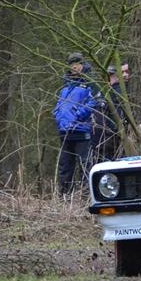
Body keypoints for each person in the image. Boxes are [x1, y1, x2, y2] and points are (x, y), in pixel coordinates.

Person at [53, 52, 100, 194]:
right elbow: (61, 103)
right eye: (72, 65)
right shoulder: (66, 83)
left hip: (81, 130)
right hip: (65, 130)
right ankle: (64, 196)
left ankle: (87, 195)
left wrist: (78, 115)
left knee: (85, 164)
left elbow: (94, 101)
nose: (74, 67)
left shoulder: (89, 82)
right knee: (65, 166)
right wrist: (57, 113)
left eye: (77, 64)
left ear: (82, 64)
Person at [91, 62, 131, 163]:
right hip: (106, 138)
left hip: (110, 138)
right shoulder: (106, 92)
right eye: (122, 72)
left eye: (127, 72)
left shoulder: (118, 91)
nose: (125, 75)